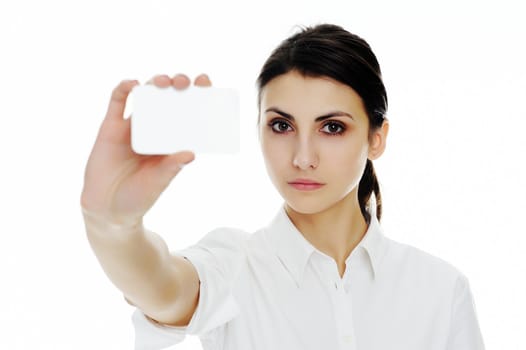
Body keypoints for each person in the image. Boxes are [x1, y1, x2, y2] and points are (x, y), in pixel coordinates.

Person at [80, 24, 485, 349]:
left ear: (376, 138)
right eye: (281, 125)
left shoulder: (440, 290)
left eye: (332, 127)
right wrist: (112, 224)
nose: (302, 157)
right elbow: (162, 288)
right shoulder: (234, 265)